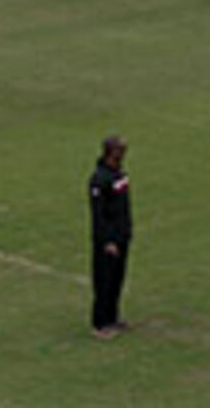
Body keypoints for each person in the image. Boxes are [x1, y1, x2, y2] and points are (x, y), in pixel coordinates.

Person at [86, 135, 133, 337]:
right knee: (104, 281)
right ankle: (100, 323)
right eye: (119, 151)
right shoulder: (99, 179)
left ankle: (113, 317)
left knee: (117, 279)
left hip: (122, 235)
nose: (123, 155)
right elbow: (98, 215)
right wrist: (107, 240)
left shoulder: (118, 174)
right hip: (108, 240)